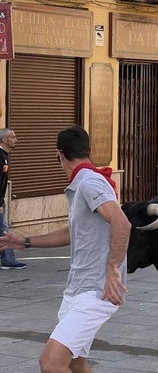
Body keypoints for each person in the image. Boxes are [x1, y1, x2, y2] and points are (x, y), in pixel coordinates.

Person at [0, 126, 131, 373]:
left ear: (59, 154)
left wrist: (113, 268)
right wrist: (25, 241)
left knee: (51, 363)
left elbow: (122, 222)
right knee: (74, 362)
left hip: (96, 290)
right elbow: (73, 232)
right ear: (88, 151)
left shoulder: (89, 182)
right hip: (78, 288)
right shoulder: (83, 182)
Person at [0, 128, 26, 269]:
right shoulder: (0, 156)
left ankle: (6, 259)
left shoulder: (3, 155)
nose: (16, 139)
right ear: (4, 140)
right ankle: (7, 260)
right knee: (4, 230)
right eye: (13, 137)